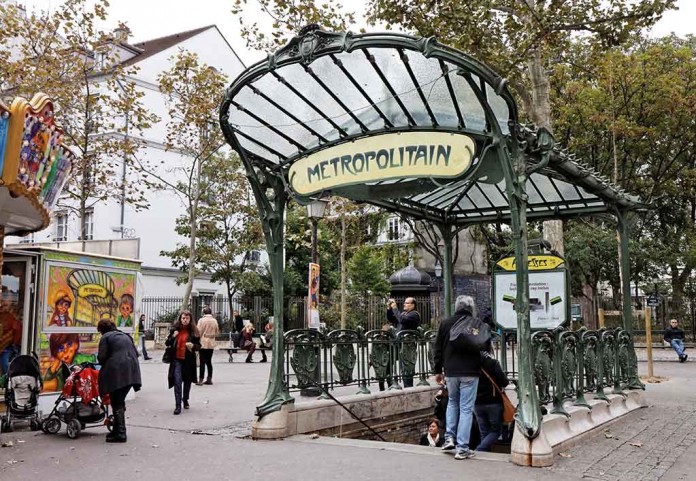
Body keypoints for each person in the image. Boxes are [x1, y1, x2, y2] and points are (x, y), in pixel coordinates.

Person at [432, 295, 485, 460]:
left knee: (452, 404)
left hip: (451, 372)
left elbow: (437, 348)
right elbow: (485, 347)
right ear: (471, 307)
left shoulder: (446, 323)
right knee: (466, 409)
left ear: (456, 307)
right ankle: (462, 447)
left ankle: (449, 438)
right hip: (470, 372)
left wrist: (438, 370)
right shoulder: (477, 324)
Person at [97, 319, 142, 443]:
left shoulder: (106, 337)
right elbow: (136, 354)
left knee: (116, 401)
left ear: (101, 330)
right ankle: (117, 430)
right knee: (119, 400)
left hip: (117, 373)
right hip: (132, 372)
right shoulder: (126, 336)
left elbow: (101, 357)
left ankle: (121, 433)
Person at [474, 346, 509, 451]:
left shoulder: (471, 365)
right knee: (495, 431)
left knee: (484, 431)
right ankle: (480, 450)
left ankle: (484, 454)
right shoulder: (493, 363)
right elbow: (504, 382)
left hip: (477, 402)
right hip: (493, 401)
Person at [166, 310, 201, 415]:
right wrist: (173, 336)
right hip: (176, 359)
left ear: (190, 320)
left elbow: (199, 346)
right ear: (180, 319)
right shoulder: (175, 330)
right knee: (177, 381)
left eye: (187, 318)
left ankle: (185, 399)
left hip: (188, 360)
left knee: (187, 382)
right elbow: (167, 343)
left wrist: (193, 346)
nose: (185, 320)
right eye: (183, 318)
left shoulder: (194, 332)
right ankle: (177, 406)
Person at [387, 297, 421, 387]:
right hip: (399, 343)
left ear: (413, 305)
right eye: (405, 302)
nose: (404, 304)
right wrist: (389, 309)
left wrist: (395, 308)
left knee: (406, 368)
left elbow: (402, 320)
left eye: (407, 303)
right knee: (390, 363)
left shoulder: (414, 314)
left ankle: (408, 388)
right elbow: (392, 319)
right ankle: (392, 384)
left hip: (408, 345)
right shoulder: (403, 313)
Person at [197, 306, 219, 385]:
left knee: (202, 361)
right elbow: (217, 332)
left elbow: (198, 331)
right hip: (211, 342)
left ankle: (200, 379)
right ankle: (209, 378)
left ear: (204, 313)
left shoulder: (201, 320)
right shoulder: (214, 321)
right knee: (209, 361)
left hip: (203, 342)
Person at [0, 301, 22, 377]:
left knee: (4, 360)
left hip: (10, 346)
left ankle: (7, 378)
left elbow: (16, 339)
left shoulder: (14, 321)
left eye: (5, 305)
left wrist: (13, 344)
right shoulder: (5, 316)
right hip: (6, 345)